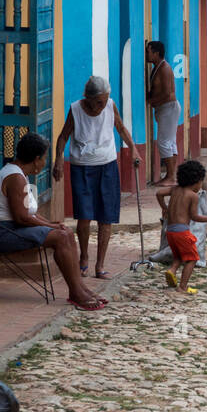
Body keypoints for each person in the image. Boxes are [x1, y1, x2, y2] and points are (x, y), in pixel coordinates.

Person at [0, 133, 108, 311]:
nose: (44, 162)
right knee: (60, 237)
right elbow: (22, 218)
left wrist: (54, 224)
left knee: (65, 232)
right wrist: (51, 227)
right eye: (44, 158)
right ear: (36, 160)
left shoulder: (20, 174)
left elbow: (30, 213)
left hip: (14, 228)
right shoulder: (15, 178)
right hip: (3, 234)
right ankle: (75, 291)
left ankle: (80, 287)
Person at [53, 75, 140, 281]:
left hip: (107, 165)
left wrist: (134, 149)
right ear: (89, 98)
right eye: (99, 101)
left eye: (105, 100)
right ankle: (84, 258)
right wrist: (58, 159)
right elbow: (63, 136)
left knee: (106, 217)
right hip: (82, 167)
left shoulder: (110, 105)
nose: (103, 105)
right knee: (84, 217)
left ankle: (100, 265)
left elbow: (120, 128)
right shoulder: (75, 109)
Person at [155, 160, 207, 296]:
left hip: (170, 231)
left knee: (179, 255)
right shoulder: (192, 195)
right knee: (192, 258)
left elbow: (159, 193)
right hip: (182, 232)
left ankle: (172, 270)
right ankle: (182, 287)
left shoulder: (174, 189)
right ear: (196, 181)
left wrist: (165, 208)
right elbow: (194, 217)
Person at [146, 40, 180, 187]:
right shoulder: (158, 68)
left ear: (156, 53)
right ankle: (171, 175)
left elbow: (167, 93)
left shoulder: (164, 69)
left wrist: (152, 101)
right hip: (165, 108)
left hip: (168, 107)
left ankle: (171, 176)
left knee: (164, 142)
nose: (146, 54)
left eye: (148, 51)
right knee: (170, 142)